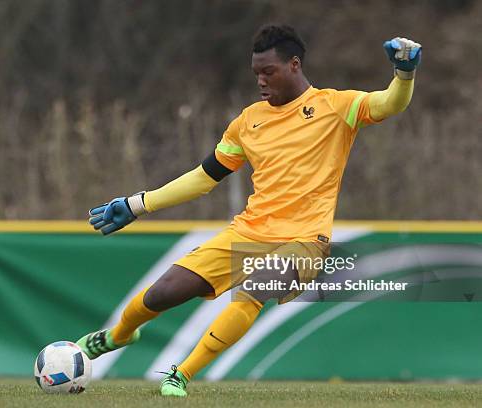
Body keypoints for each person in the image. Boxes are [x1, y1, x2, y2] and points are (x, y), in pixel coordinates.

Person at [77, 24, 421, 397]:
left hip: (305, 241)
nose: (260, 80)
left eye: (268, 71)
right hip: (249, 232)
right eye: (256, 72)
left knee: (255, 288)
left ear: (294, 65)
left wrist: (404, 73)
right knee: (162, 293)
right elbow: (204, 177)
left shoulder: (336, 107)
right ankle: (118, 336)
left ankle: (181, 375)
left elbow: (390, 103)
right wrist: (137, 204)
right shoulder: (248, 121)